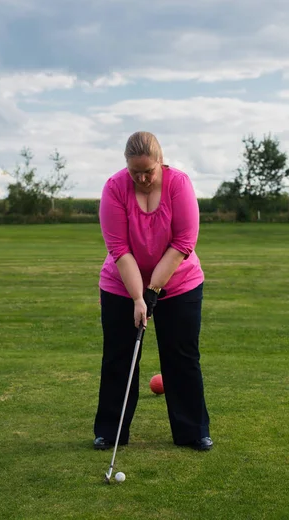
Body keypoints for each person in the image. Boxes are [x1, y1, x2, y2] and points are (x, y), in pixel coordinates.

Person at [93, 131, 212, 451]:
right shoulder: (115, 188)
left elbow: (183, 244)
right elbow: (119, 248)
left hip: (180, 281)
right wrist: (136, 298)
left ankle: (193, 432)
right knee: (120, 356)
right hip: (120, 284)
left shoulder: (179, 184)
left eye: (149, 170)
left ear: (161, 161)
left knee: (182, 356)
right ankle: (110, 431)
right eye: (136, 172)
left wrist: (152, 292)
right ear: (126, 167)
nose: (143, 178)